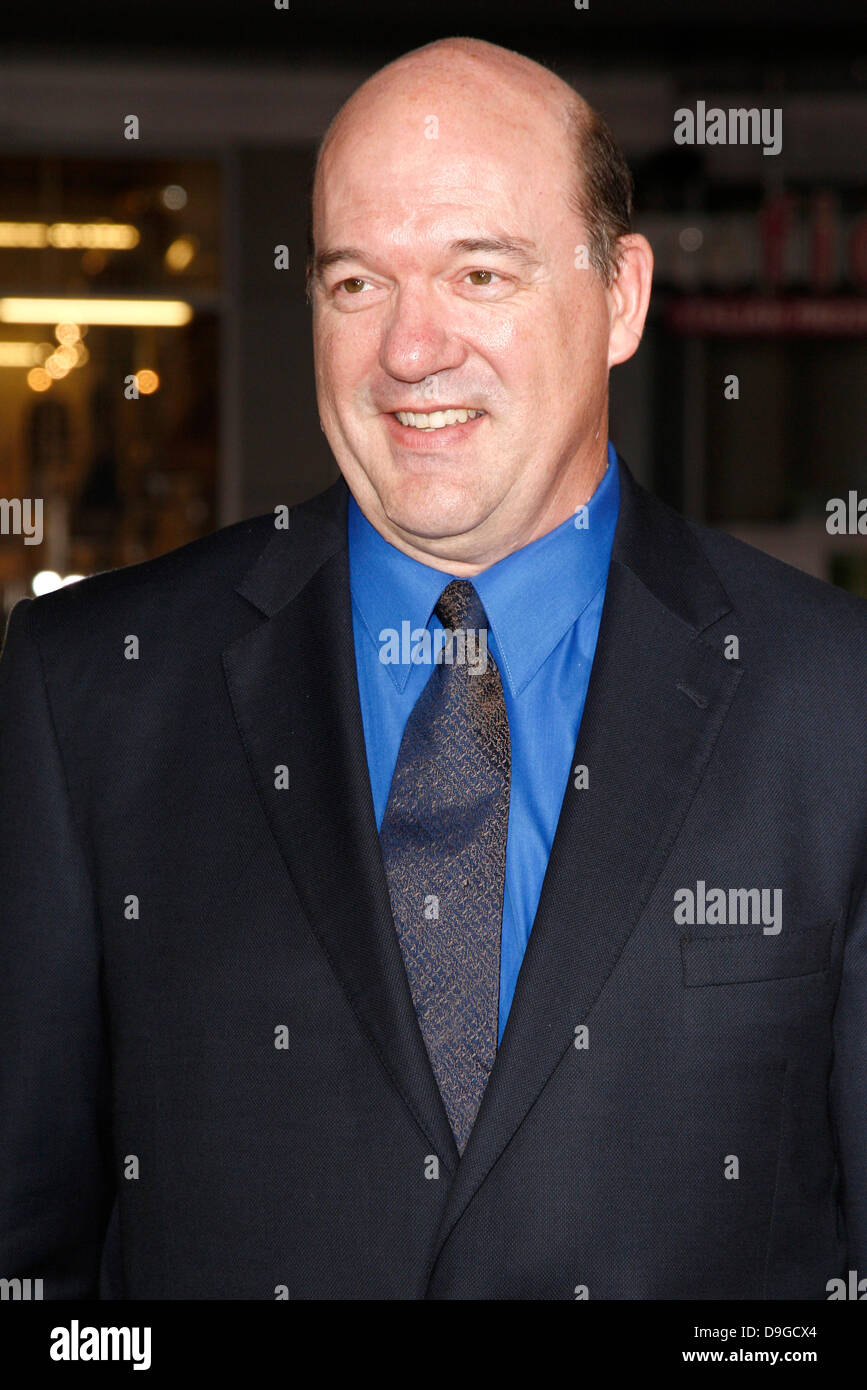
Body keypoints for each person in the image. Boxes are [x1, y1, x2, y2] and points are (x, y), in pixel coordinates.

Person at [0, 36, 865, 1301]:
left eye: (479, 272)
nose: (410, 351)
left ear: (621, 296)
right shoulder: (92, 692)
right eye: (357, 284)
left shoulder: (833, 700)